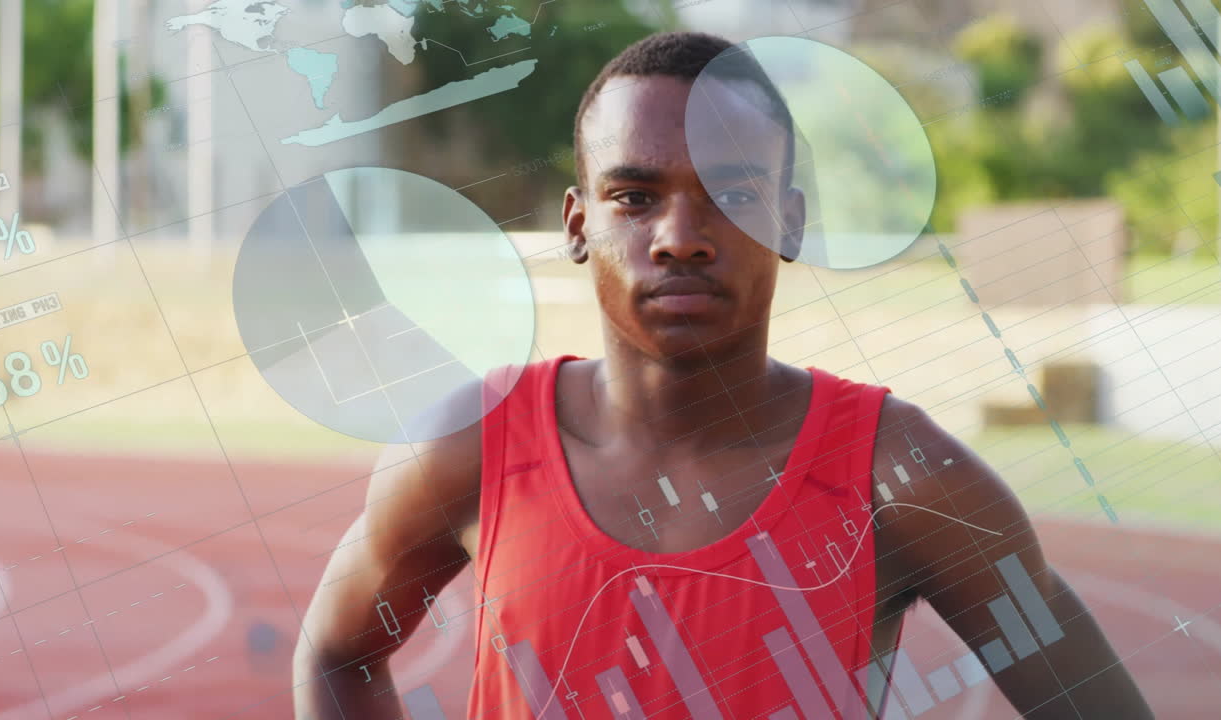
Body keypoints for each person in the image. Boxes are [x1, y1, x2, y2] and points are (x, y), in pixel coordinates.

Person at [293, 31, 1153, 719]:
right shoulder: (472, 445)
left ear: (790, 218)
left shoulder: (900, 477)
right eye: (634, 196)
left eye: (732, 193)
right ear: (577, 222)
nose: (680, 236)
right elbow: (336, 656)